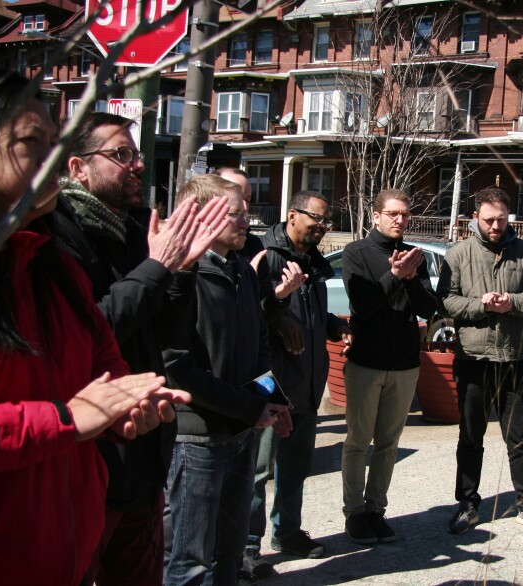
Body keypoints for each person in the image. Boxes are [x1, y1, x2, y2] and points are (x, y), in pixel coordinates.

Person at [0, 69, 189, 585]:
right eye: (30, 143)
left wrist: (128, 404)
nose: (48, 162)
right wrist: (65, 419)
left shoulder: (52, 263)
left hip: (71, 543)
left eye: (53, 141)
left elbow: (104, 361)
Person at [52, 112, 228, 586]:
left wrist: (179, 270)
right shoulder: (56, 235)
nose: (136, 167)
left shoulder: (134, 231)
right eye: (120, 155)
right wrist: (157, 267)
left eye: (137, 156)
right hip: (90, 456)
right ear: (77, 168)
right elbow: (92, 329)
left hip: (145, 451)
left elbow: (162, 331)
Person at [162, 174, 292, 586]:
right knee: (189, 560)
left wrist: (271, 399)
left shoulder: (244, 272)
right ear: (201, 216)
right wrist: (250, 407)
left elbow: (261, 345)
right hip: (197, 439)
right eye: (236, 214)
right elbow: (178, 368)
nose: (246, 222)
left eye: (245, 213)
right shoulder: (181, 276)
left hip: (242, 432)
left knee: (229, 556)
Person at [240, 190, 353, 581]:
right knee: (259, 470)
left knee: (296, 467)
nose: (321, 227)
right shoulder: (264, 257)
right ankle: (247, 547)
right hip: (271, 383)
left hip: (307, 382)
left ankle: (287, 532)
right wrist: (276, 314)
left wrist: (335, 326)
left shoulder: (316, 263)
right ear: (291, 215)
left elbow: (311, 312)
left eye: (326, 222)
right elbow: (244, 314)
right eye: (315, 219)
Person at [437, 187, 523, 536]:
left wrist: (512, 303)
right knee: (470, 436)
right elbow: (445, 301)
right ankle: (468, 504)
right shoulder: (458, 254)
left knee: (521, 438)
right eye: (489, 220)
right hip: (473, 358)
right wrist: (482, 305)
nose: (495, 225)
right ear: (475, 218)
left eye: (501, 220)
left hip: (515, 359)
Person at [340, 189, 438, 544]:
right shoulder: (356, 253)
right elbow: (362, 306)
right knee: (357, 441)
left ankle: (375, 509)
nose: (400, 220)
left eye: (405, 215)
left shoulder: (417, 257)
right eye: (393, 214)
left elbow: (429, 308)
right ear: (376, 216)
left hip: (404, 364)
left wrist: (410, 278)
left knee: (388, 443)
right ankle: (354, 513)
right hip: (367, 362)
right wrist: (393, 275)